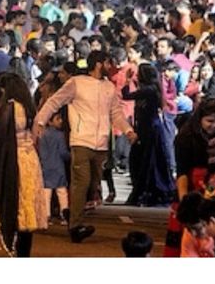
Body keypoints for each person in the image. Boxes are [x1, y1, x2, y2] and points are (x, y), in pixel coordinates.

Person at [34, 51, 136, 243]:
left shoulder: (108, 87)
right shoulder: (76, 83)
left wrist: (128, 131)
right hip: (81, 141)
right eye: (108, 63)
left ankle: (72, 213)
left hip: (101, 144)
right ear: (98, 64)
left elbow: (116, 113)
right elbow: (55, 101)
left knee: (92, 184)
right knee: (82, 182)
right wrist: (40, 121)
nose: (110, 66)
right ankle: (75, 226)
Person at [0, 73, 48, 257]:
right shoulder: (28, 107)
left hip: (14, 160)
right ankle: (24, 251)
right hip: (30, 159)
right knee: (27, 209)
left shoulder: (10, 107)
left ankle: (16, 249)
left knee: (14, 203)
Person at [164, 98, 215, 257]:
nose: (214, 125)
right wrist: (185, 201)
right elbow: (182, 171)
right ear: (200, 119)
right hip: (191, 190)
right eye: (210, 121)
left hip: (211, 191)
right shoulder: (186, 137)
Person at [122, 62, 176, 207]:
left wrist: (127, 81)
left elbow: (126, 95)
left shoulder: (148, 90)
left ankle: (144, 191)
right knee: (147, 161)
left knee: (145, 161)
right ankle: (147, 191)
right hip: (149, 128)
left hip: (148, 130)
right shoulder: (153, 89)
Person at [36, 110, 70, 226]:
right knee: (62, 192)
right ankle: (64, 214)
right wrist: (70, 156)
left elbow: (41, 152)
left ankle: (46, 216)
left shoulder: (42, 134)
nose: (60, 121)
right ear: (50, 121)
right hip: (58, 166)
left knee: (47, 192)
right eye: (57, 119)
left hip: (46, 166)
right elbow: (63, 152)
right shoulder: (60, 135)